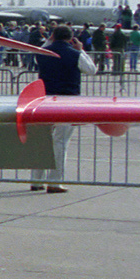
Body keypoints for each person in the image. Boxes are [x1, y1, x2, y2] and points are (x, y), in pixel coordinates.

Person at [31, 25, 98, 194]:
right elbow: (91, 70)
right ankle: (55, 181)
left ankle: (35, 179)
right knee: (60, 142)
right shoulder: (74, 54)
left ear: (53, 36)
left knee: (41, 140)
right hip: (66, 102)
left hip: (44, 100)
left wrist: (49, 40)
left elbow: (39, 53)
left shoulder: (44, 52)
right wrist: (81, 50)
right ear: (71, 38)